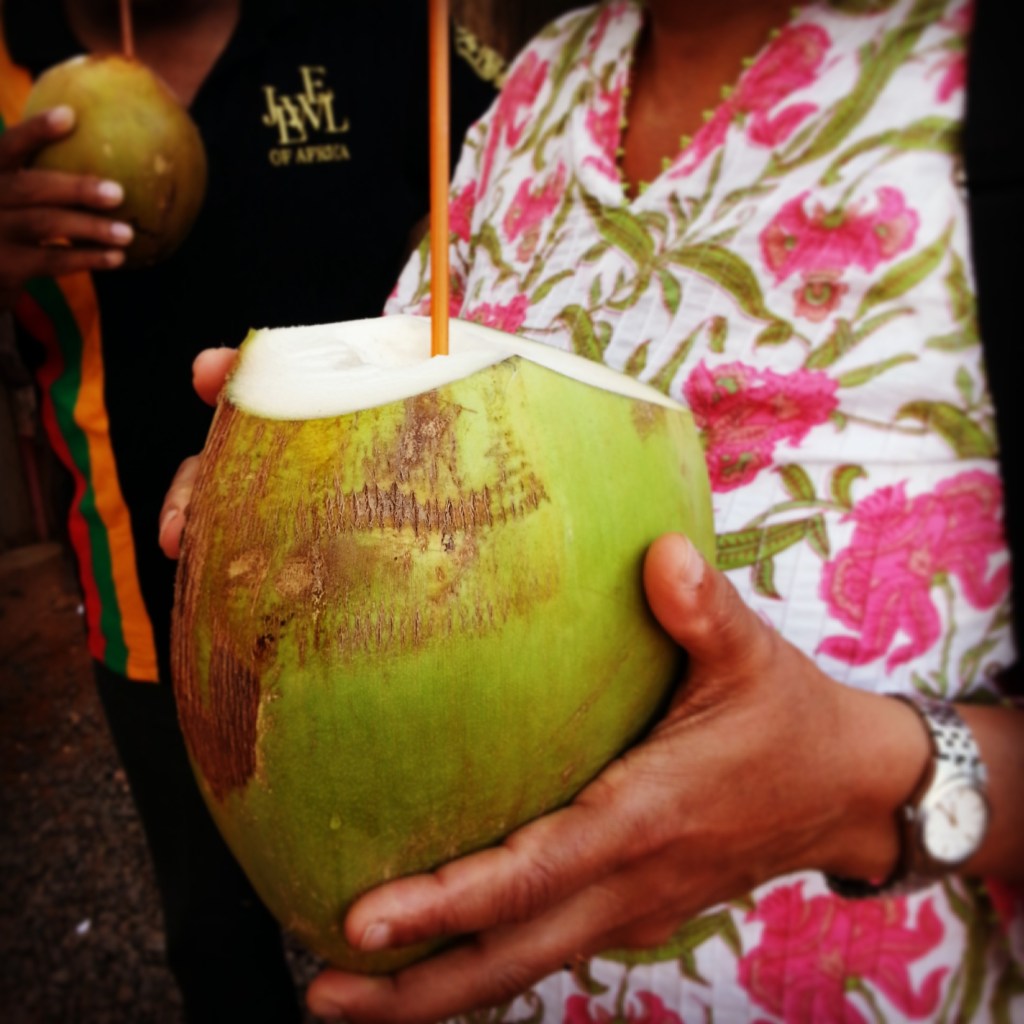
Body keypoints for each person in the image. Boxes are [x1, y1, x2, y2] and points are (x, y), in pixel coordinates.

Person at [160, 0, 1024, 1021]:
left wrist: (857, 789)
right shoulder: (540, 85)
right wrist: (285, 507)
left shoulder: (969, 86)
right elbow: (400, 418)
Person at [0, 2, 498, 1020]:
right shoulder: (11, 64)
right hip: (143, 596)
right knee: (215, 932)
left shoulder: (383, 30)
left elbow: (514, 216)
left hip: (403, 597)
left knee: (437, 926)